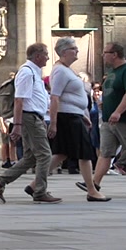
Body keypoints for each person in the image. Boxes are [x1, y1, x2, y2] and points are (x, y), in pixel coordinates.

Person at [0, 44, 56, 203]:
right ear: (37, 56)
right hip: (29, 118)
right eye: (46, 54)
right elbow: (19, 100)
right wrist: (17, 126)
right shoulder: (27, 72)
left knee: (31, 157)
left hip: (34, 117)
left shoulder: (34, 72)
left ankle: (1, 180)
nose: (48, 57)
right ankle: (40, 191)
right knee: (45, 155)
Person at [81, 43, 126, 199]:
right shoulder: (111, 71)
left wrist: (118, 112)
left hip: (125, 119)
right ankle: (94, 185)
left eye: (105, 53)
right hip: (109, 120)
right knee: (105, 152)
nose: (103, 56)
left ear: (114, 54)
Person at [48, 38, 95, 193]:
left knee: (62, 153)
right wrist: (53, 123)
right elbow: (55, 97)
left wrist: (82, 114)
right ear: (63, 52)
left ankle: (35, 184)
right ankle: (92, 190)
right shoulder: (60, 70)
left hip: (74, 115)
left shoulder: (66, 69)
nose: (77, 51)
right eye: (73, 48)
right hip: (68, 117)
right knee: (85, 153)